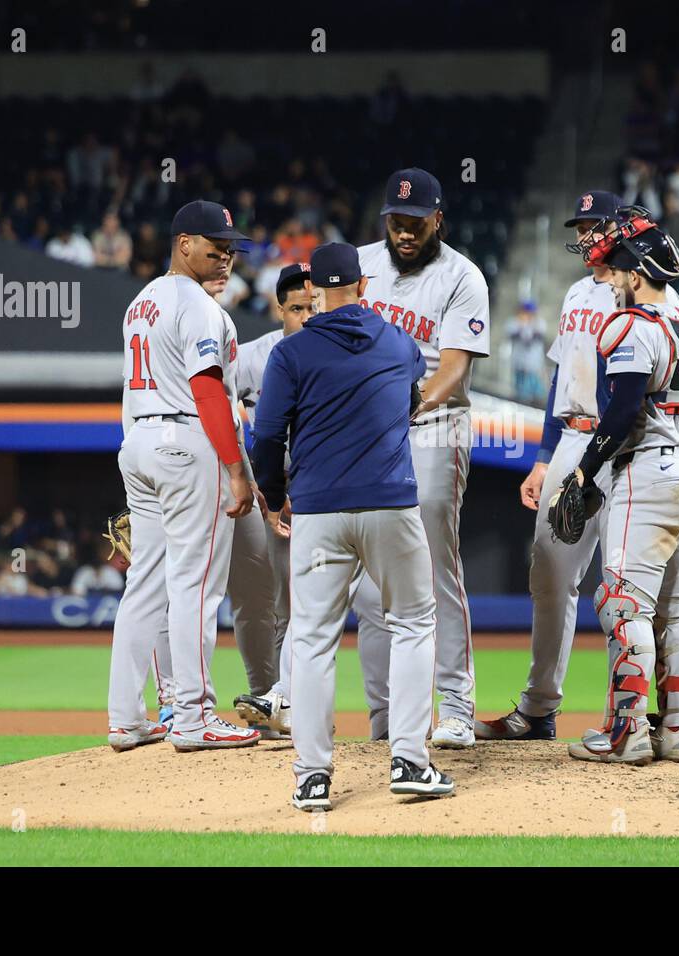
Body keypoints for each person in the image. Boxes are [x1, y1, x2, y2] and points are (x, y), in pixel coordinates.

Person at [477, 193, 679, 741]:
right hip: (573, 439)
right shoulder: (576, 291)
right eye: (583, 227)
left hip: (626, 444)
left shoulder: (647, 293)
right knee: (549, 576)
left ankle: (635, 717)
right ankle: (541, 706)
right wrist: (544, 459)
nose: (587, 236)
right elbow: (558, 380)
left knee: (634, 592)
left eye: (596, 227)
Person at [251, 242, 453, 811]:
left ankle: (312, 777)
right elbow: (413, 395)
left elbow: (266, 436)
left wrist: (274, 494)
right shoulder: (396, 340)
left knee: (313, 640)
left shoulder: (291, 353)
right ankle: (411, 761)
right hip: (391, 503)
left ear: (313, 289)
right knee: (413, 622)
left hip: (318, 509)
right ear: (363, 285)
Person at [106, 200, 263, 754]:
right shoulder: (196, 305)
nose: (225, 259)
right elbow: (206, 391)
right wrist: (235, 469)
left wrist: (137, 452)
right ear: (183, 244)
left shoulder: (139, 303)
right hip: (187, 444)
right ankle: (194, 718)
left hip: (140, 442)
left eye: (230, 251)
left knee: (144, 582)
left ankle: (126, 719)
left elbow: (130, 389)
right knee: (196, 585)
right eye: (214, 248)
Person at [562, 217, 679, 765]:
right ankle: (676, 730)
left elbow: (624, 410)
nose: (612, 277)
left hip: (646, 474)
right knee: (675, 612)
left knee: (622, 605)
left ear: (636, 273)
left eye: (620, 269)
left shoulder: (632, 327)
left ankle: (627, 733)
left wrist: (584, 470)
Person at [351, 168, 490, 748]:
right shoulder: (359, 265)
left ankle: (455, 706)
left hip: (433, 428)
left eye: (416, 222)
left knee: (434, 566)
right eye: (396, 222)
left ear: (438, 219)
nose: (404, 232)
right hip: (363, 433)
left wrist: (399, 408)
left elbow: (454, 369)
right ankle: (386, 718)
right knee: (368, 581)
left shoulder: (462, 276)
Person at [228, 263, 316, 736]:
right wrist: (245, 475)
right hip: (268, 494)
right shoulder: (253, 356)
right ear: (279, 308)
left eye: (311, 306)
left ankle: (285, 703)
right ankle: (268, 698)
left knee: (300, 605)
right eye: (296, 307)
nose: (304, 315)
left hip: (317, 493)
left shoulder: (329, 353)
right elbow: (219, 405)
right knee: (260, 601)